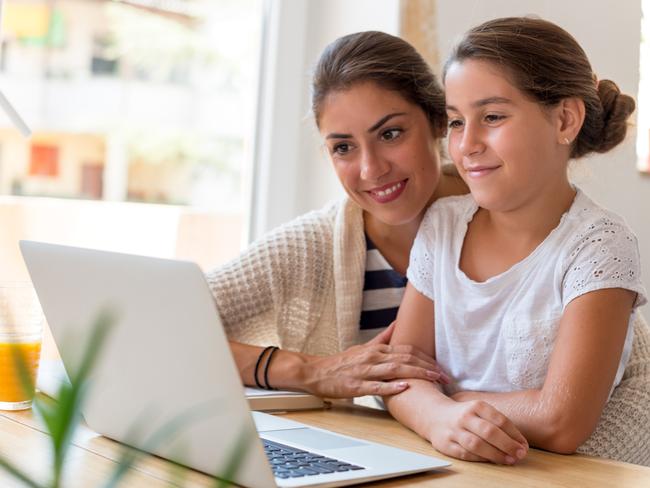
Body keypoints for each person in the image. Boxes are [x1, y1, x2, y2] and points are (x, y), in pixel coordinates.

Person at [384, 16, 649, 466]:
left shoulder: (599, 246)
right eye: (454, 121)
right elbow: (399, 377)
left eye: (492, 117)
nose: (466, 145)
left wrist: (456, 400)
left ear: (565, 119)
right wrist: (438, 419)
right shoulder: (442, 226)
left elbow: (562, 420)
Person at [206, 31, 465, 399]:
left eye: (390, 134)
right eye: (343, 147)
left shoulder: (514, 215)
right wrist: (310, 371)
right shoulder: (312, 247)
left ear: (439, 120)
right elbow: (150, 324)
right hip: (377, 449)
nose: (371, 169)